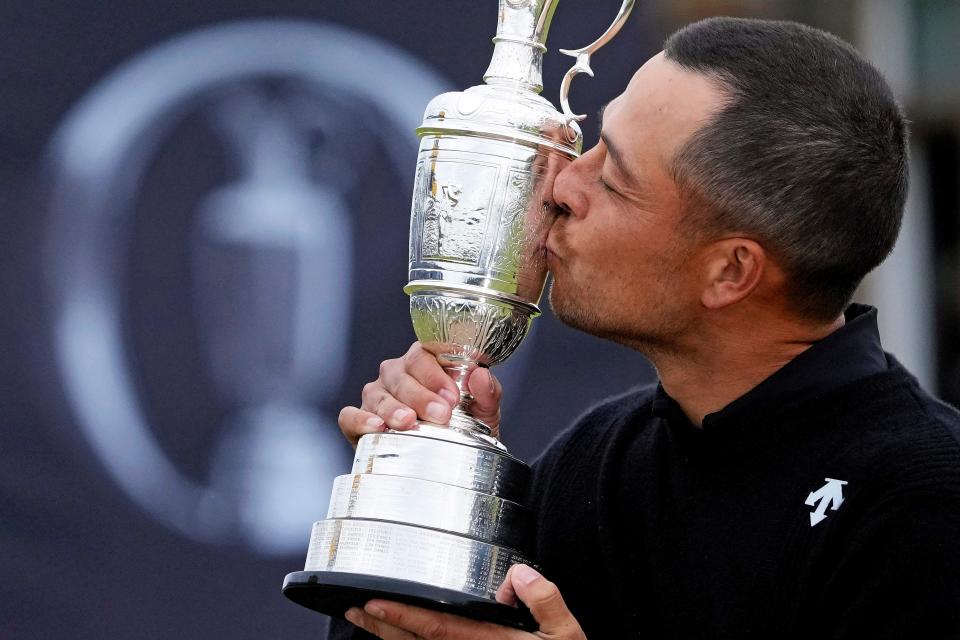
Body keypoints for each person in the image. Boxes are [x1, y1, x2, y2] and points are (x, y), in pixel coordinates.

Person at [331, 16, 960, 640]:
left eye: (614, 177)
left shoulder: (924, 502)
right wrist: (429, 503)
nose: (564, 185)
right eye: (595, 142)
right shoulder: (597, 461)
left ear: (730, 271)